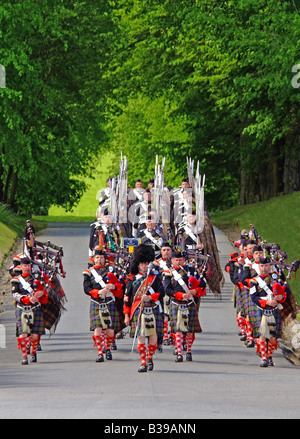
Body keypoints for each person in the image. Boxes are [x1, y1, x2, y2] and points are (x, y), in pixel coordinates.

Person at [123, 244, 165, 372]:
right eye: (142, 264)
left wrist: (150, 297)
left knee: (153, 336)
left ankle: (150, 357)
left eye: (147, 264)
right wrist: (126, 315)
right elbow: (127, 297)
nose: (145, 266)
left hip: (153, 309)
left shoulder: (155, 278)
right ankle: (143, 362)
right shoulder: (132, 279)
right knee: (140, 336)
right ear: (137, 264)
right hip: (138, 310)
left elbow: (161, 293)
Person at [164, 249, 206, 362]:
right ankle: (179, 353)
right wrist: (180, 295)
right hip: (176, 302)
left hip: (190, 302)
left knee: (189, 330)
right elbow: (167, 290)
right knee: (178, 329)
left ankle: (188, 351)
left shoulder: (192, 270)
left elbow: (202, 284)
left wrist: (195, 291)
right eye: (176, 260)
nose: (178, 262)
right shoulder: (168, 273)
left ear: (184, 260)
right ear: (172, 260)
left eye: (180, 260)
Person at [83, 249, 125, 362]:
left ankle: (107, 348)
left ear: (105, 259)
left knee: (110, 330)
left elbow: (121, 286)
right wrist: (98, 292)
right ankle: (100, 353)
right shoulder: (88, 273)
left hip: (109, 301)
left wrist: (114, 286)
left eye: (101, 258)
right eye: (97, 258)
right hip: (96, 301)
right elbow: (86, 289)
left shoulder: (112, 271)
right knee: (97, 328)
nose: (99, 260)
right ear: (93, 259)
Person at [11, 256, 49, 365]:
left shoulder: (36, 278)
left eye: (28, 265)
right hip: (22, 308)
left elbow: (44, 291)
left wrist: (41, 293)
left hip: (35, 308)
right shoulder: (16, 280)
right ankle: (24, 357)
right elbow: (15, 295)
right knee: (23, 334)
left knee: (35, 335)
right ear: (21, 267)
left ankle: (33, 353)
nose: (27, 267)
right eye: (25, 266)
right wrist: (28, 299)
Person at [250, 257, 287, 367]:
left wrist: (281, 297)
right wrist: (267, 303)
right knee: (262, 334)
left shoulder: (276, 279)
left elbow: (285, 293)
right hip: (262, 309)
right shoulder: (254, 281)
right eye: (262, 266)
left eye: (266, 266)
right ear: (259, 267)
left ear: (269, 266)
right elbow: (254, 298)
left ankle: (269, 355)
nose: (264, 268)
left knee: (272, 337)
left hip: (274, 310)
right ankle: (264, 359)